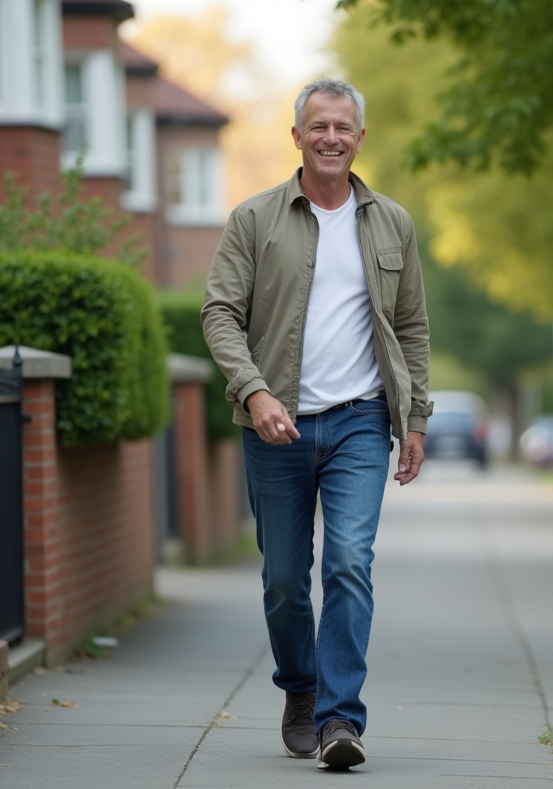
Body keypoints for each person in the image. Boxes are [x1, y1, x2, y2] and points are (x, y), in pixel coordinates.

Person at [201, 78, 432, 772]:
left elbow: (412, 326)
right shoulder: (254, 219)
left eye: (344, 127)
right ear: (297, 137)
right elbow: (218, 314)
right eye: (319, 126)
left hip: (362, 422)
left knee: (349, 564)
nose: (332, 137)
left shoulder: (392, 222)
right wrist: (256, 392)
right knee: (282, 579)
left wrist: (414, 418)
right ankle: (300, 689)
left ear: (360, 138)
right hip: (276, 426)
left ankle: (339, 719)